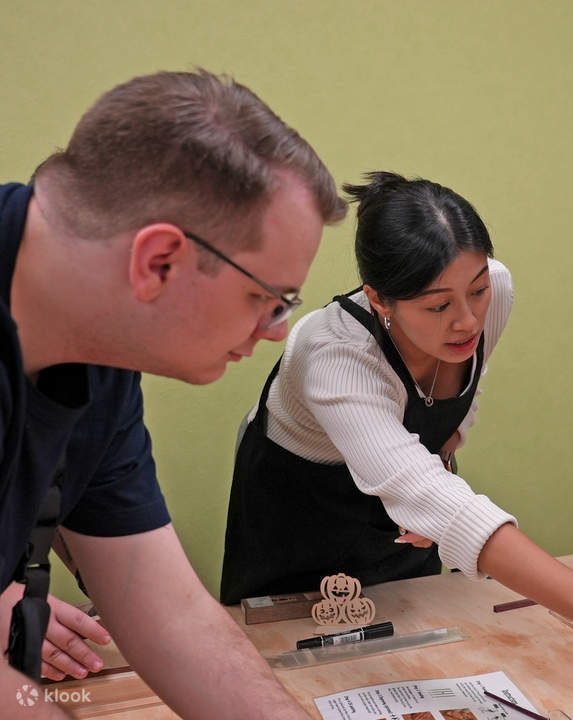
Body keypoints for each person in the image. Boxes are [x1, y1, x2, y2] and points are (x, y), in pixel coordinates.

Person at [221, 172, 573, 672]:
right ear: (379, 298)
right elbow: (425, 492)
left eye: (477, 289)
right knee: (292, 667)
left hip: (401, 520)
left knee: (420, 654)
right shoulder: (332, 354)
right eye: (438, 305)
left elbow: (451, 410)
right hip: (299, 519)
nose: (467, 320)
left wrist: (439, 467)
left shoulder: (497, 291)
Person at [0, 69, 349, 718]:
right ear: (159, 260)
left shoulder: (96, 349)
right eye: (268, 299)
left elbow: (169, 614)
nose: (275, 332)